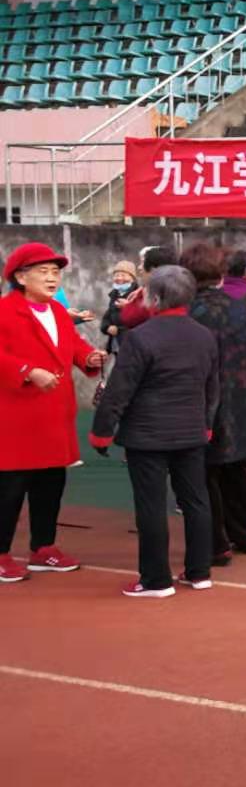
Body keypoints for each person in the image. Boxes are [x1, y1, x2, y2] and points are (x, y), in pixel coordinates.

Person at [90, 266, 219, 598]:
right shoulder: (204, 335)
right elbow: (212, 387)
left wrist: (102, 431)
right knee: (196, 501)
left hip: (147, 434)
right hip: (190, 431)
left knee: (151, 506)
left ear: (155, 297)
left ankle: (155, 579)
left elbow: (119, 389)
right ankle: (199, 571)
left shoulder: (140, 337)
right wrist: (206, 424)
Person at [0, 243, 105, 583]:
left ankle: (43, 548)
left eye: (55, 272)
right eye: (43, 272)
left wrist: (88, 357)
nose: (51, 278)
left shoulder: (58, 311)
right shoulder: (4, 310)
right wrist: (27, 370)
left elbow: (73, 345)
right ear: (20, 277)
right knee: (10, 488)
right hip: (16, 416)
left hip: (54, 414)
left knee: (50, 484)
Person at [181, 243, 246, 565]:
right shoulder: (243, 309)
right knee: (239, 468)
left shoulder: (186, 313)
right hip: (240, 397)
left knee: (205, 474)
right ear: (221, 273)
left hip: (199, 400)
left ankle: (216, 544)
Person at [118, 244, 178, 329]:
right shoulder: (179, 290)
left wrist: (127, 307)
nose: (139, 268)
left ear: (153, 270)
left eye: (143, 263)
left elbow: (130, 318)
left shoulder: (153, 296)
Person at [100, 260, 139, 354]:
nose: (119, 278)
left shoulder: (137, 295)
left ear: (132, 278)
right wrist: (107, 327)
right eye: (117, 275)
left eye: (123, 275)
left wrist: (119, 330)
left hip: (131, 343)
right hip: (116, 342)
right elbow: (108, 315)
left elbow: (139, 319)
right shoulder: (114, 295)